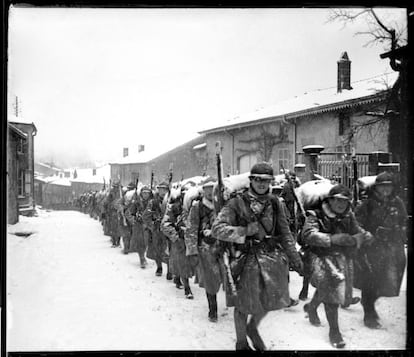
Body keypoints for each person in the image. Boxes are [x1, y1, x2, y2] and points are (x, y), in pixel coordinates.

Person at [211, 162, 303, 351]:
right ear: (251, 180)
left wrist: (295, 258)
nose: (262, 184)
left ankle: (252, 328)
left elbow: (285, 233)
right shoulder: (237, 203)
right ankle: (241, 342)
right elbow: (217, 229)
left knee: (271, 300)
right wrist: (243, 231)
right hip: (245, 259)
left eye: (266, 180)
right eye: (258, 180)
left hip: (272, 259)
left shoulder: (275, 202)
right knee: (244, 304)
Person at [301, 184, 372, 348]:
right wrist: (332, 239)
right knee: (331, 291)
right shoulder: (315, 215)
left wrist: (363, 236)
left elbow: (356, 230)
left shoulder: (348, 215)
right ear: (330, 200)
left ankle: (311, 308)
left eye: (345, 201)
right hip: (320, 257)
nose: (341, 204)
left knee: (329, 288)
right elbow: (308, 235)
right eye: (337, 200)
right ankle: (335, 331)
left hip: (342, 258)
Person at [354, 172, 407, 329]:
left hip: (392, 247)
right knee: (370, 280)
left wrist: (400, 230)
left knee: (390, 279)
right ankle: (368, 313)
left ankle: (369, 302)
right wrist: (367, 235)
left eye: (388, 186)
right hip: (373, 247)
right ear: (376, 188)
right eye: (382, 186)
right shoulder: (367, 204)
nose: (385, 190)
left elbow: (404, 220)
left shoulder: (397, 202)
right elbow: (356, 224)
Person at [185, 177, 222, 321]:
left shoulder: (223, 205)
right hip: (206, 248)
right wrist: (193, 250)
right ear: (203, 190)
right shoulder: (197, 207)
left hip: (222, 246)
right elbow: (191, 229)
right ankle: (213, 309)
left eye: (213, 189)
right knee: (210, 279)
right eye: (207, 189)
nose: (210, 192)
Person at [161, 184, 195, 299]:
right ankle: (187, 288)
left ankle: (177, 277)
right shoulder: (174, 207)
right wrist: (175, 236)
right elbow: (165, 224)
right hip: (179, 239)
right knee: (182, 262)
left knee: (187, 263)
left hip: (192, 239)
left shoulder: (195, 207)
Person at [143, 181, 171, 277]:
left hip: (169, 229)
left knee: (169, 250)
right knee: (158, 250)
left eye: (165, 189)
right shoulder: (153, 202)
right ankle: (159, 267)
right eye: (161, 189)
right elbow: (146, 216)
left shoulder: (171, 201)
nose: (162, 191)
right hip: (157, 230)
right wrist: (152, 226)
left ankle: (170, 270)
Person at [125, 185, 152, 268]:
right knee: (140, 243)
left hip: (149, 226)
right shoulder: (136, 203)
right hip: (139, 225)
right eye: (144, 193)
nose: (145, 195)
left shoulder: (152, 202)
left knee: (148, 243)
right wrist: (133, 221)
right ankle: (142, 258)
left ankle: (144, 256)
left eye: (147, 193)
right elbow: (128, 213)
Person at [103, 183, 122, 248]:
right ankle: (114, 242)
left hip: (120, 212)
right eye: (115, 187)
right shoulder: (111, 194)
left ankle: (118, 242)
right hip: (112, 212)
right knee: (113, 228)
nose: (115, 188)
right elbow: (107, 202)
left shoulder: (121, 193)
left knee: (119, 228)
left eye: (116, 187)